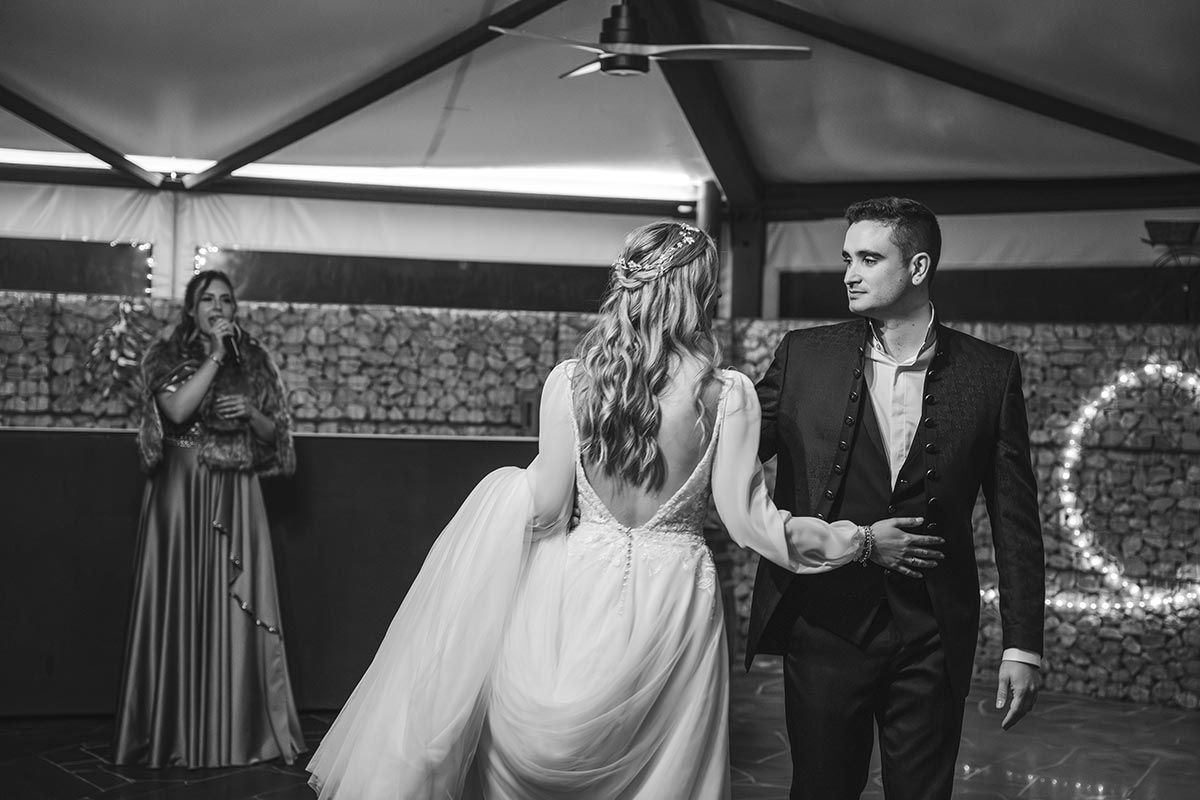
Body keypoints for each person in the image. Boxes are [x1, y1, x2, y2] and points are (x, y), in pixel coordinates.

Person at [304, 221, 936, 799]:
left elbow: (546, 505)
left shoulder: (572, 382)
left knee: (540, 741)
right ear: (698, 292)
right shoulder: (727, 394)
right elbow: (753, 526)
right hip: (675, 594)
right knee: (662, 772)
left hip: (572, 585)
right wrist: (858, 541)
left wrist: (491, 525)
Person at [749, 197, 1046, 799]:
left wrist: (1024, 645)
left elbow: (1016, 519)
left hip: (933, 634)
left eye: (867, 257)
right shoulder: (804, 356)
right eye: (846, 258)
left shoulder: (990, 374)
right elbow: (733, 454)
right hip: (825, 625)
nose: (849, 273)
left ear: (917, 267)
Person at [113, 269, 305, 768]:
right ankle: (173, 731)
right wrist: (217, 356)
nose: (218, 308)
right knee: (178, 598)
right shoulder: (166, 355)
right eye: (208, 300)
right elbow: (176, 411)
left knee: (235, 607)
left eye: (226, 300)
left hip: (236, 490)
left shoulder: (257, 359)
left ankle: (238, 730)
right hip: (181, 489)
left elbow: (276, 435)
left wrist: (251, 414)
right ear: (192, 309)